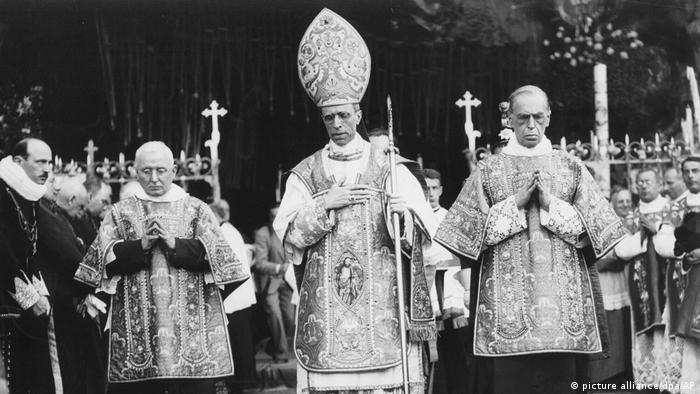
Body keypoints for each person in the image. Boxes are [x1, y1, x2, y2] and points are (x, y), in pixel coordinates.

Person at [274, 8, 437, 393]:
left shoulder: (391, 166)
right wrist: (322, 205)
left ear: (359, 113)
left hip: (382, 308)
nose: (337, 124)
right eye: (329, 118)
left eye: (344, 115)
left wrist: (404, 217)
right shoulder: (306, 172)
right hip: (326, 313)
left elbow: (426, 235)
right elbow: (288, 238)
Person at [435, 85, 628, 394]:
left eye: (538, 117)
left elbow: (595, 233)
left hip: (565, 314)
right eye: (523, 118)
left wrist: (551, 204)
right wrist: (516, 204)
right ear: (509, 119)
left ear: (548, 117)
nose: (531, 125)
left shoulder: (571, 167)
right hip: (507, 313)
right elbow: (469, 236)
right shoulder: (488, 170)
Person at [73, 141, 249, 394]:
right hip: (136, 332)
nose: (154, 178)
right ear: (135, 171)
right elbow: (98, 262)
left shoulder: (197, 209)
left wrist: (174, 244)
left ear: (174, 170)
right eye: (146, 171)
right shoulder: (119, 213)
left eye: (161, 170)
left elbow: (224, 263)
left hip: (193, 331)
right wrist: (139, 246)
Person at [612, 168, 683, 390]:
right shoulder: (631, 215)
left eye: (648, 181)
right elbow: (620, 249)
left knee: (670, 326)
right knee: (647, 333)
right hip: (640, 282)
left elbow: (680, 242)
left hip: (669, 279)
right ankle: (649, 381)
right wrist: (641, 239)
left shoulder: (672, 209)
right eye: (639, 182)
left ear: (658, 182)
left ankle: (673, 379)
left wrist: (658, 231)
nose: (643, 185)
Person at [0, 138, 60, 393]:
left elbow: (29, 248)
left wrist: (41, 294)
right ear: (18, 161)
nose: (47, 169)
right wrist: (29, 296)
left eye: (49, 162)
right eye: (40, 162)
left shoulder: (26, 193)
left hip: (18, 298)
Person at [36, 174, 106, 393]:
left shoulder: (58, 214)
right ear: (72, 199)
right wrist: (92, 282)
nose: (55, 188)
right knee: (66, 369)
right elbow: (69, 256)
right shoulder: (46, 213)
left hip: (72, 297)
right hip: (62, 300)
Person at [422, 168, 473, 394]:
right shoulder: (414, 217)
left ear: (441, 190)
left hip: (450, 292)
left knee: (455, 350)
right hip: (425, 289)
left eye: (434, 188)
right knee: (430, 355)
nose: (430, 193)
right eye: (426, 188)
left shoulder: (450, 218)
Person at [210, 199, 257, 394]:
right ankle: (241, 382)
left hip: (234, 297)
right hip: (237, 297)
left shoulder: (226, 233)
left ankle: (241, 383)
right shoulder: (229, 230)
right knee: (240, 343)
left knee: (239, 345)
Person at [589, 187, 634, 385]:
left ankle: (622, 370)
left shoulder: (631, 224)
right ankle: (604, 375)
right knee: (608, 325)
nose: (624, 205)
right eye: (619, 202)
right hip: (604, 284)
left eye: (627, 201)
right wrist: (613, 260)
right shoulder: (597, 225)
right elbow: (596, 260)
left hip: (624, 282)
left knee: (623, 325)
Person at [253, 203, 295, 362]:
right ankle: (281, 353)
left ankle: (271, 345)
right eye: (272, 216)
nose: (275, 218)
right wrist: (279, 268)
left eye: (278, 215)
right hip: (270, 283)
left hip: (288, 283)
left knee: (289, 319)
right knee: (275, 316)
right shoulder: (262, 234)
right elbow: (260, 264)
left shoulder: (289, 230)